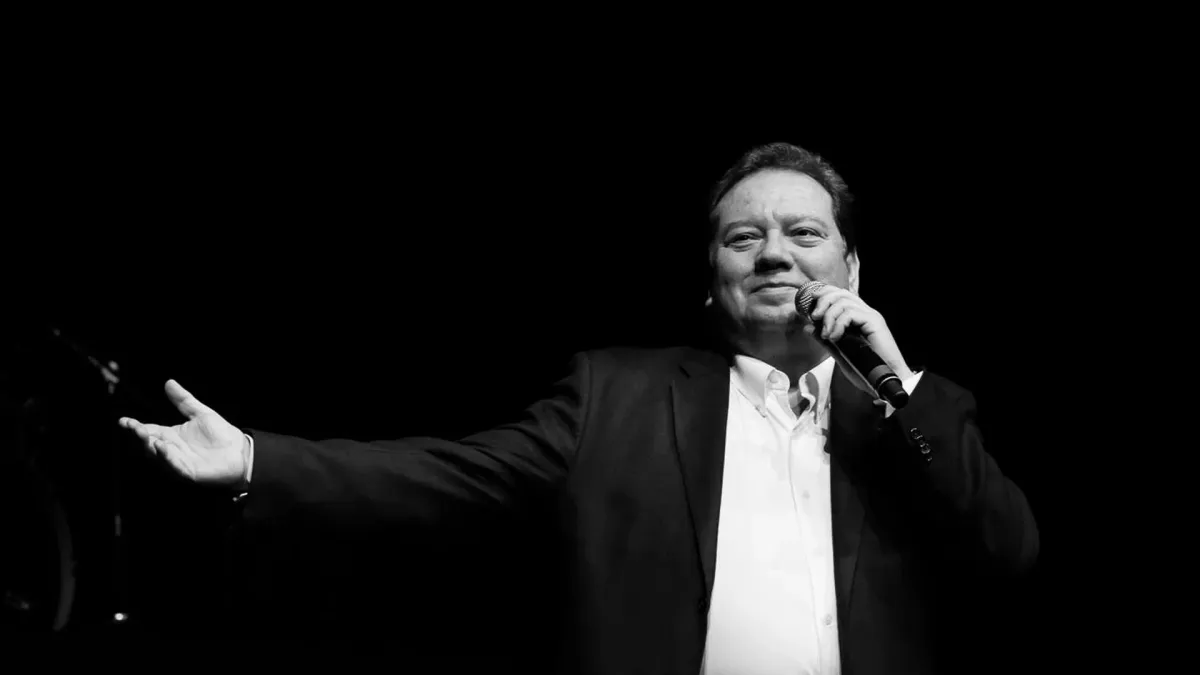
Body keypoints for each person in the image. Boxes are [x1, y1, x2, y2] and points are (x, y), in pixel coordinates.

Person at [119, 142, 1038, 674]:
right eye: (743, 237)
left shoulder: (919, 412)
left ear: (852, 270)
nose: (774, 254)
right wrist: (256, 457)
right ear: (710, 280)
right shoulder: (616, 395)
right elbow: (448, 477)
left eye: (804, 233)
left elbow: (1007, 551)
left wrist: (896, 381)